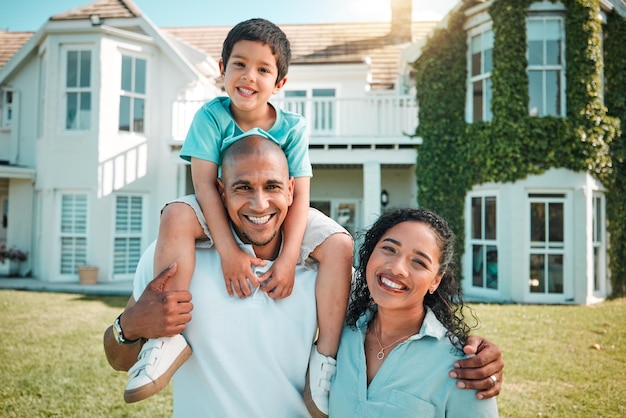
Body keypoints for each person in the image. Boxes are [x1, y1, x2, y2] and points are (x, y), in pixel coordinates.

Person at [104, 136, 503, 417]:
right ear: (220, 191)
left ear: (292, 190)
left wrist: (475, 351)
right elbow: (119, 358)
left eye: (273, 186)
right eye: (243, 187)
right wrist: (129, 326)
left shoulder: (330, 278)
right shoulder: (176, 260)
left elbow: (398, 314)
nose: (260, 203)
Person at [122, 18, 354, 417]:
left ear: (280, 82)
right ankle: (168, 337)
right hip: (215, 203)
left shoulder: (293, 127)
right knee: (176, 214)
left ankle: (325, 360)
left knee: (340, 244)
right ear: (222, 68)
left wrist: (287, 260)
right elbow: (205, 187)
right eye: (239, 65)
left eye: (263, 69)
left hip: (288, 214)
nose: (249, 77)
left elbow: (299, 198)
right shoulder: (210, 118)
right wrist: (228, 251)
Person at [329, 207, 500, 416]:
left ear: (435, 281)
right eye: (389, 249)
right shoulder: (340, 331)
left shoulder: (464, 367)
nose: (398, 268)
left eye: (419, 262)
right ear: (371, 252)